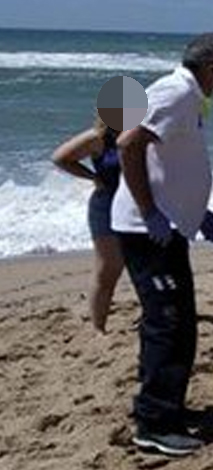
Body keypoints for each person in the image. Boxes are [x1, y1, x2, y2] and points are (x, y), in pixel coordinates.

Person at [109, 32, 213, 456]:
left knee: (181, 324)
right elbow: (129, 143)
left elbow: (172, 159)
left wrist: (194, 209)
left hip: (172, 229)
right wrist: (150, 211)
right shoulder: (175, 92)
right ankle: (153, 422)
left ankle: (167, 409)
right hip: (146, 232)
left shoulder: (189, 97)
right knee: (167, 324)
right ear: (212, 66)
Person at [51, 114, 125, 334]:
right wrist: (92, 177)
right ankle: (98, 329)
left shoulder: (140, 132)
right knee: (108, 269)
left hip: (137, 206)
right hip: (106, 207)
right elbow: (60, 158)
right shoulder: (98, 137)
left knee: (145, 265)